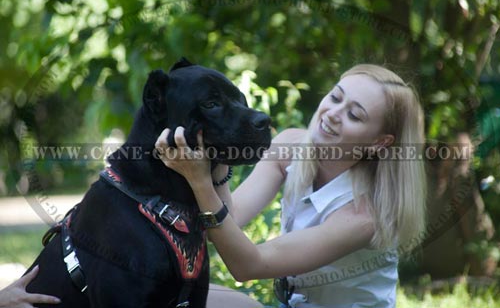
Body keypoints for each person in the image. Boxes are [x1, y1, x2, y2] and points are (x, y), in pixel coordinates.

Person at [155, 64, 427, 307]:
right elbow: (230, 221)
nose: (333, 114)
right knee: (165, 294)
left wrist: (200, 181)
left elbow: (248, 265)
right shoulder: (290, 147)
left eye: (354, 115)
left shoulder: (365, 214)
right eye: (335, 97)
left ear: (380, 142)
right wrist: (220, 158)